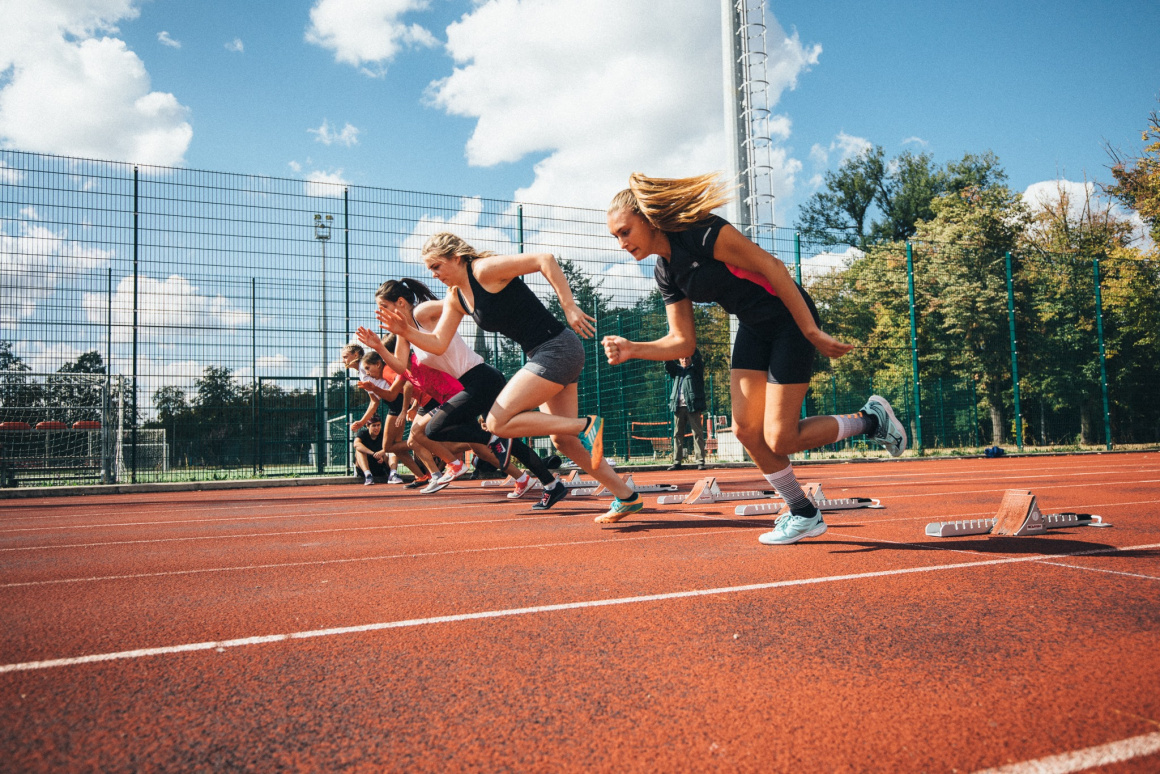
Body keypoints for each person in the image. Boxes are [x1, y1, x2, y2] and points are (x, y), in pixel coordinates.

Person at [603, 173, 906, 541]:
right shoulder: (666, 271)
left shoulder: (702, 232)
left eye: (624, 231)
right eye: (615, 236)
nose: (621, 243)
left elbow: (774, 268)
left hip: (789, 320)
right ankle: (804, 512)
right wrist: (635, 349)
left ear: (648, 219)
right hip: (753, 326)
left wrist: (810, 329)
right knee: (747, 430)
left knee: (780, 438)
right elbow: (683, 342)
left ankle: (870, 421)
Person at [378, 233, 643, 522]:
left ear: (456, 258)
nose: (433, 274)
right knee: (563, 441)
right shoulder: (457, 298)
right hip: (545, 354)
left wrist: (568, 305)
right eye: (430, 269)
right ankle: (626, 497)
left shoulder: (483, 270)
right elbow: (439, 343)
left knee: (497, 421)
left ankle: (587, 424)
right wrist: (404, 332)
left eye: (437, 266)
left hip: (557, 348)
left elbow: (545, 259)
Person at [359, 286, 556, 500]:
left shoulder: (421, 312)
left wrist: (482, 294)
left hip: (482, 378)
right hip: (470, 384)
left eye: (384, 307)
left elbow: (458, 304)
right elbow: (399, 367)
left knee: (435, 430)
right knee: (500, 435)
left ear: (400, 302)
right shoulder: (403, 332)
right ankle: (550, 483)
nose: (382, 313)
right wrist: (379, 347)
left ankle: (485, 449)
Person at [666, 348, 707, 471]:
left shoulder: (696, 370)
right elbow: (667, 363)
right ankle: (677, 462)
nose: (685, 360)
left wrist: (690, 345)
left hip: (693, 407)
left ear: (690, 359)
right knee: (677, 435)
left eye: (687, 358)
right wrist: (669, 348)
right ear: (679, 359)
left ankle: (700, 461)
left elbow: (698, 359)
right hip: (678, 407)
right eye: (682, 358)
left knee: (697, 434)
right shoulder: (676, 371)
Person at [352, 416, 389, 485]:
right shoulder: (362, 433)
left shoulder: (383, 435)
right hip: (365, 466)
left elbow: (391, 446)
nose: (377, 428)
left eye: (378, 425)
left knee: (392, 451)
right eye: (374, 426)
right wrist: (373, 453)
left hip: (380, 466)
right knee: (359, 450)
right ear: (367, 426)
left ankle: (393, 474)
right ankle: (368, 475)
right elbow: (356, 444)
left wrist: (382, 454)